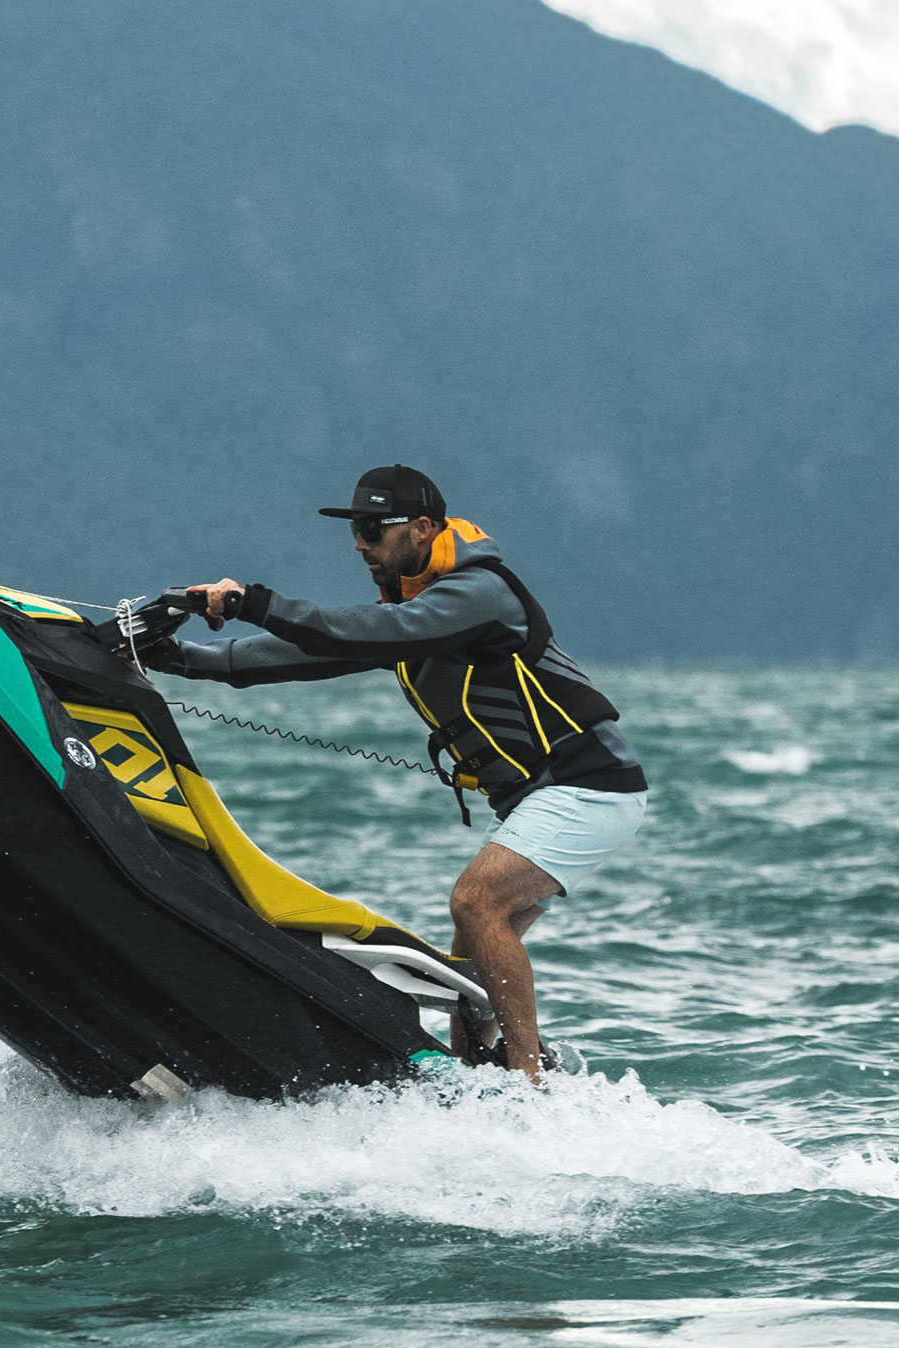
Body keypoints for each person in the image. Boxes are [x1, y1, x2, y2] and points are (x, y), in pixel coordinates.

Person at [134, 463, 648, 1081]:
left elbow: (375, 630)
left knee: (476, 900)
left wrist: (255, 603)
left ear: (425, 528)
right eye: (355, 530)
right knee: (470, 957)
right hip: (546, 797)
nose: (360, 543)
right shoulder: (423, 605)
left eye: (374, 528)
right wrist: (183, 659)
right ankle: (477, 1078)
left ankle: (527, 1078)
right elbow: (314, 651)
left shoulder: (479, 593)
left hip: (590, 785)